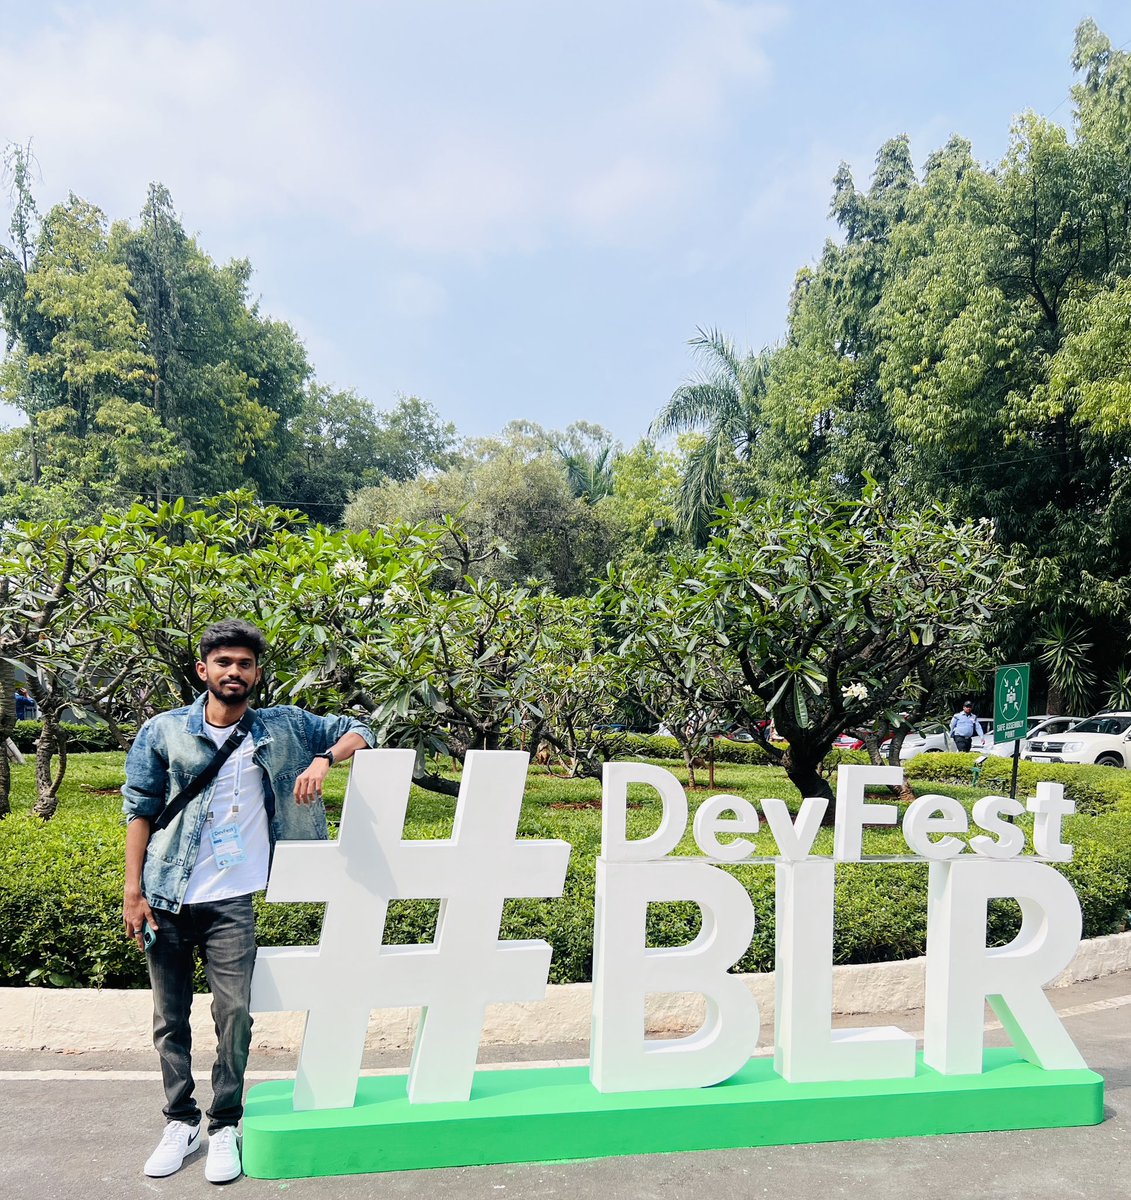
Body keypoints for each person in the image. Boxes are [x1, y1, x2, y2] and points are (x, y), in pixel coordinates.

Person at [121, 619, 375, 1183]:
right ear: (203, 670)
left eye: (244, 664)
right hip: (167, 895)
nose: (234, 672)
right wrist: (133, 891)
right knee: (170, 1018)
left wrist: (323, 759)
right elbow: (139, 808)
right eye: (223, 663)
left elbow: (362, 727)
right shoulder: (163, 731)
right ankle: (180, 1119)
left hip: (232, 901)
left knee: (234, 1013)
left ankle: (225, 1123)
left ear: (257, 673)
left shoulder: (282, 726)